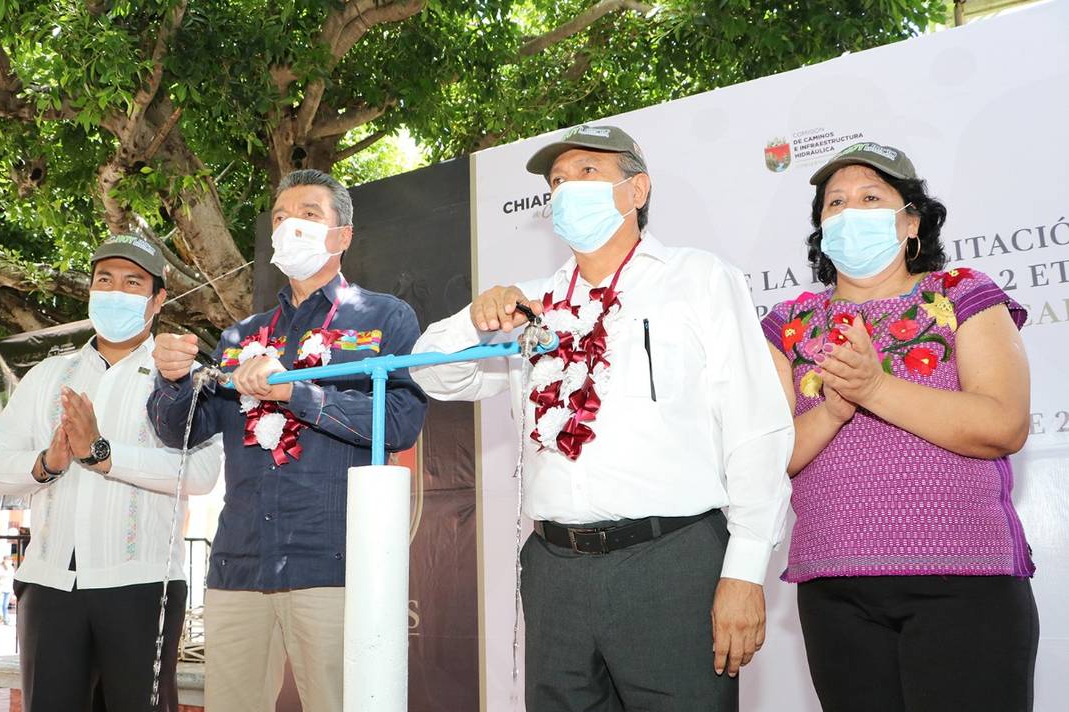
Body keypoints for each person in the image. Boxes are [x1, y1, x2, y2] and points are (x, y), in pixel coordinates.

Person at [410, 124, 794, 712]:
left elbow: (756, 430)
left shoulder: (699, 279)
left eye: (587, 173)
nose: (567, 189)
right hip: (555, 569)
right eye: (557, 180)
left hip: (671, 561)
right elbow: (432, 372)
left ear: (637, 190)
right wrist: (474, 319)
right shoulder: (531, 304)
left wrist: (743, 572)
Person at [760, 141, 1039, 712]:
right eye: (835, 203)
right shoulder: (788, 323)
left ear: (910, 221)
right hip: (833, 588)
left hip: (965, 579)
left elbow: (1003, 424)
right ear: (820, 227)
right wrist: (835, 410)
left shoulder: (960, 294)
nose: (850, 212)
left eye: (870, 197)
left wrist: (875, 388)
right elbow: (766, 458)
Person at [148, 168, 428, 712]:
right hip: (239, 565)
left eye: (308, 215)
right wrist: (172, 378)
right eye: (280, 217)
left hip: (334, 566)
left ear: (342, 235)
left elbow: (399, 424)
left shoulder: (386, 318)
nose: (289, 227)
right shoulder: (239, 337)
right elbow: (176, 430)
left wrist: (296, 394)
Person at [0, 234, 223, 712]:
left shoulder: (183, 376)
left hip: (143, 584)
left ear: (158, 299)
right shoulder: (49, 375)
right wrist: (48, 464)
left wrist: (103, 454)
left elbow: (202, 473)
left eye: (132, 283)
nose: (115, 292)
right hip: (48, 585)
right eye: (104, 280)